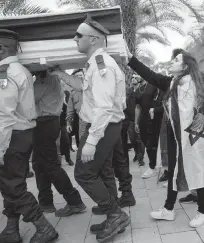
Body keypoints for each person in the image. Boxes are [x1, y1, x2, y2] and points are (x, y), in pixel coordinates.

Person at [49, 15, 130, 242]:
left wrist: (91, 140)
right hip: (105, 127)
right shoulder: (95, 63)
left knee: (83, 173)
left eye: (78, 36)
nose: (75, 39)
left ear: (93, 40)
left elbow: (104, 107)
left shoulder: (101, 64)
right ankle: (113, 215)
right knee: (101, 172)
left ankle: (115, 214)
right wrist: (61, 74)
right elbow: (86, 89)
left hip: (102, 127)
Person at [126, 45, 204, 228]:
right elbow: (150, 75)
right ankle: (168, 209)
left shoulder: (197, 81)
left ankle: (203, 211)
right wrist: (130, 59)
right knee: (173, 170)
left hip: (193, 134)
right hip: (175, 134)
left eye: (176, 60)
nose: (171, 62)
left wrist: (201, 115)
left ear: (185, 67)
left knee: (196, 167)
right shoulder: (171, 82)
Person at [0, 28, 58, 243]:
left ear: (0, 48)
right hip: (23, 134)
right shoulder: (20, 69)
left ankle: (43, 227)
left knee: (13, 186)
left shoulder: (4, 72)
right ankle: (12, 229)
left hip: (11, 136)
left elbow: (3, 113)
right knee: (11, 184)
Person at [32, 70, 85, 216]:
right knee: (39, 164)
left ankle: (74, 201)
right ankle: (46, 202)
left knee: (49, 164)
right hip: (44, 123)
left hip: (45, 123)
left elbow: (27, 98)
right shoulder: (47, 79)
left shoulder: (46, 79)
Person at [134, 76, 163, 178]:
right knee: (146, 143)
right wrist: (136, 122)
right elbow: (137, 107)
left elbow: (160, 100)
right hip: (143, 119)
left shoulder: (153, 85)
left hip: (154, 118)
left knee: (152, 144)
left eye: (137, 74)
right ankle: (155, 164)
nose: (135, 76)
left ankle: (153, 166)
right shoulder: (137, 89)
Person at [127, 75, 145, 166]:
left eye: (136, 77)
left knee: (140, 140)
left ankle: (141, 158)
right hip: (130, 120)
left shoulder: (142, 91)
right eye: (132, 77)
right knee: (132, 139)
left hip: (140, 120)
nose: (133, 78)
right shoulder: (129, 91)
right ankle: (136, 153)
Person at [66, 69, 84, 149]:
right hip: (82, 122)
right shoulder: (73, 93)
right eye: (77, 76)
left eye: (81, 75)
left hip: (95, 121)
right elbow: (70, 109)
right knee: (83, 144)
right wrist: (68, 123)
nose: (79, 77)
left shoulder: (92, 87)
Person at [60, 90, 74, 165]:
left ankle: (68, 159)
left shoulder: (64, 104)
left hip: (62, 125)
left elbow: (68, 113)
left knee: (66, 142)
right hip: (54, 125)